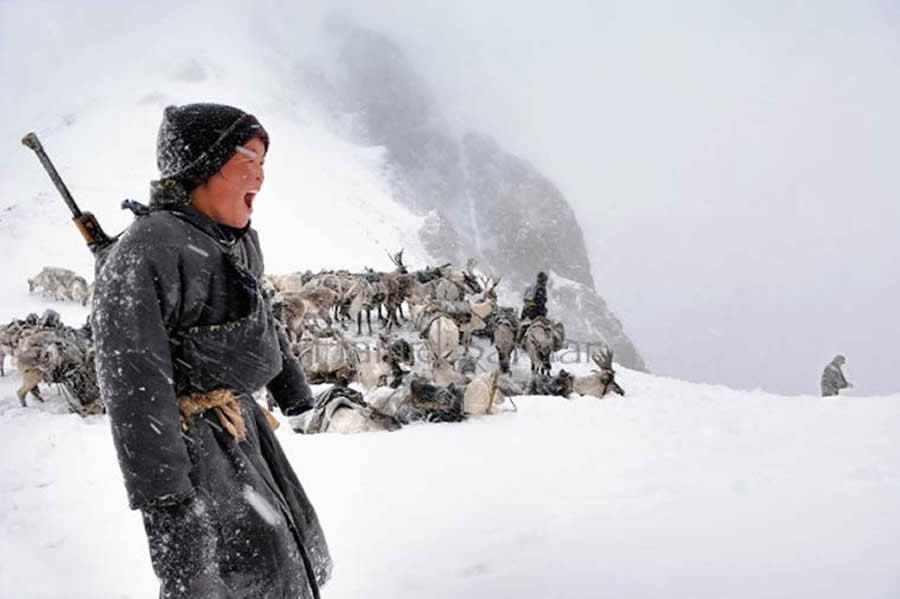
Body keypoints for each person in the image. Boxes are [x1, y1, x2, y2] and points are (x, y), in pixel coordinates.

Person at [92, 103, 332, 598]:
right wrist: (172, 515)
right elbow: (136, 396)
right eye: (250, 159)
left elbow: (260, 314)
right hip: (192, 448)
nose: (261, 177)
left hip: (245, 432)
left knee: (283, 552)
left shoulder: (233, 242)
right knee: (226, 572)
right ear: (204, 164)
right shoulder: (145, 251)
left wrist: (291, 388)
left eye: (265, 163)